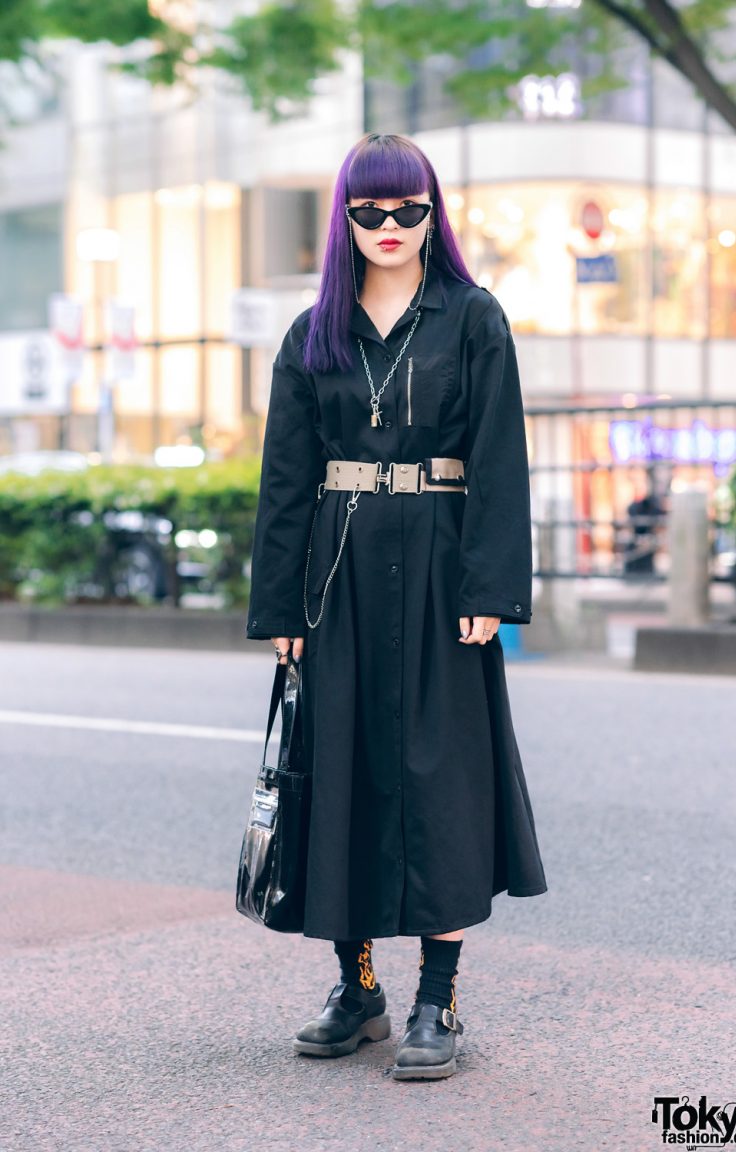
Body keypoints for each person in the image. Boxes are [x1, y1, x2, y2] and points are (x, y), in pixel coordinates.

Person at [245, 132, 547, 1081]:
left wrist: (491, 590)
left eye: (407, 208)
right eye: (368, 210)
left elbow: (500, 458)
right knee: (341, 773)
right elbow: (286, 479)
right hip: (334, 576)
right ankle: (358, 987)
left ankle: (438, 1000)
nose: (388, 225)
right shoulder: (313, 332)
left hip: (441, 569)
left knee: (440, 780)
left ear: (433, 211)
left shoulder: (473, 318)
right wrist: (280, 606)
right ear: (344, 217)